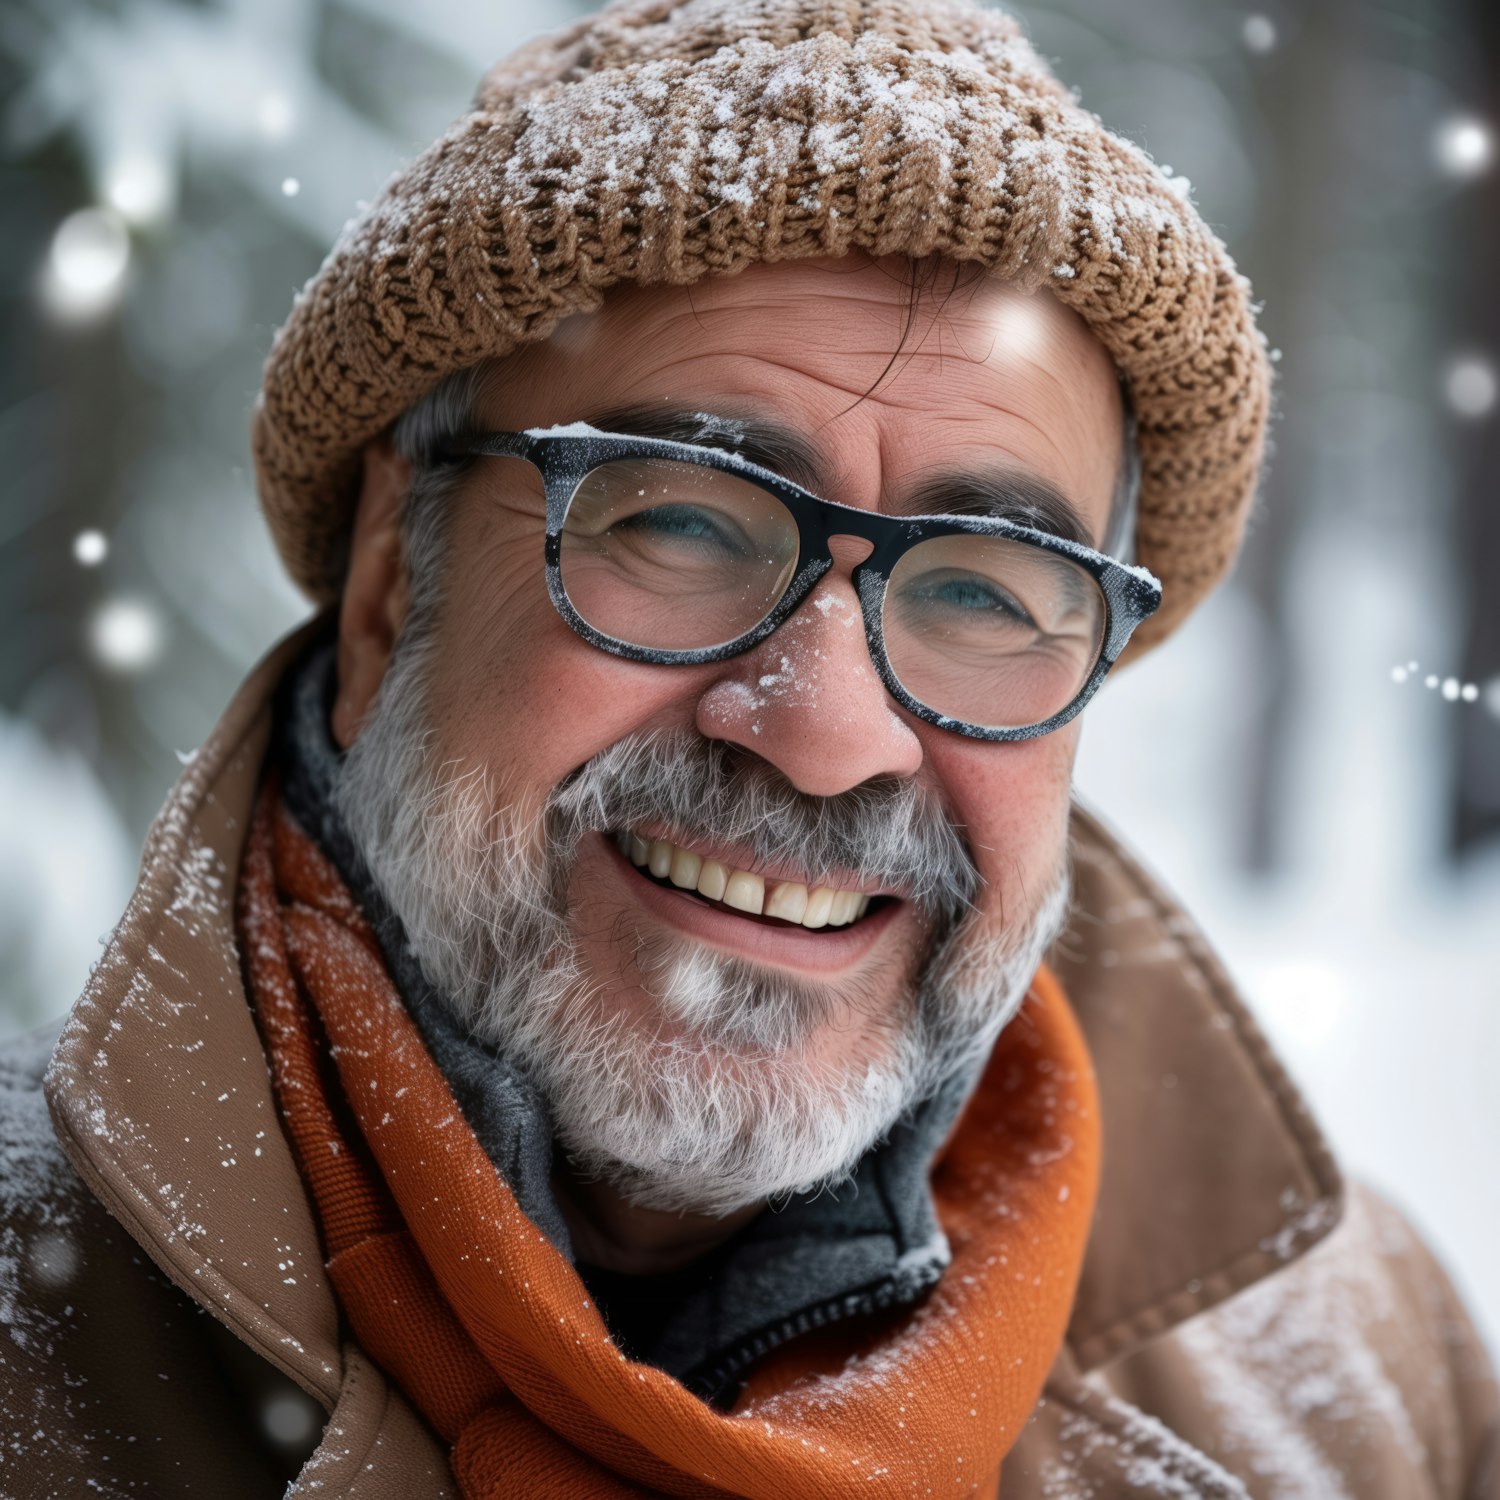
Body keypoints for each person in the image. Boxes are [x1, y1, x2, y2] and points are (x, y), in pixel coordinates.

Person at [3, 0, 1496, 1495]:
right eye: (691, 522)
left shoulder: (1367, 1380)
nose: (831, 735)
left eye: (981, 587)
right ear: (399, 581)